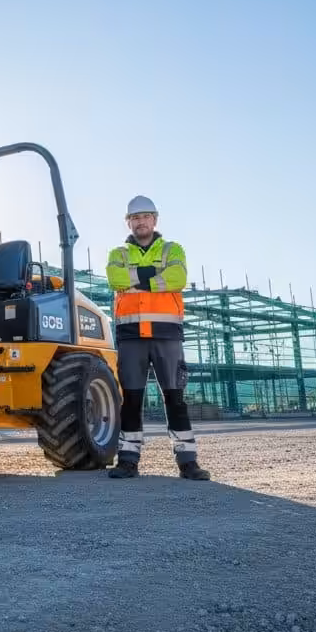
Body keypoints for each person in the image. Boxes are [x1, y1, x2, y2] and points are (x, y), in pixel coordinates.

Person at [103, 195, 210, 480]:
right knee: (132, 400)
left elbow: (178, 278)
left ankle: (188, 462)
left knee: (175, 398)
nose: (141, 221)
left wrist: (136, 278)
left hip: (166, 334)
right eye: (135, 218)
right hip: (131, 335)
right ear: (128, 222)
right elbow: (115, 279)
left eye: (146, 216)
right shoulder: (118, 253)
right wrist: (155, 278)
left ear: (155, 219)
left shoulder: (173, 249)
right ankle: (128, 460)